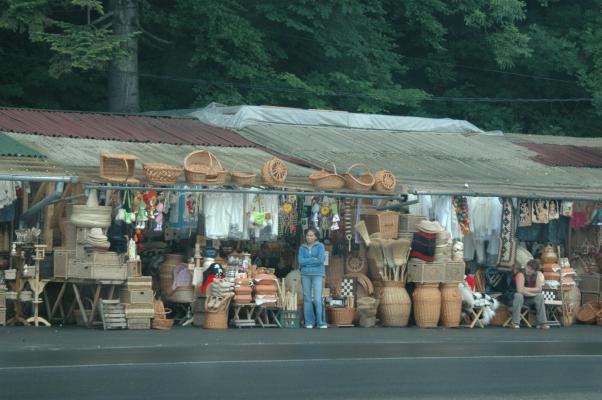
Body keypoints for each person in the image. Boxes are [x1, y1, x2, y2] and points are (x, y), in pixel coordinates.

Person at [298, 228, 327, 329]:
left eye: (311, 235)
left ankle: (320, 322)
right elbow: (300, 261)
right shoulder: (302, 247)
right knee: (307, 298)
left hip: (318, 274)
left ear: (316, 237)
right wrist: (312, 260)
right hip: (305, 274)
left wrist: (307, 262)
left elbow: (320, 260)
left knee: (318, 298)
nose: (309, 237)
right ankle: (309, 322)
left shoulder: (320, 246)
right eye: (307, 235)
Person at [511, 259, 549, 329]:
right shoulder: (520, 274)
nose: (529, 270)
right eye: (528, 267)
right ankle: (515, 322)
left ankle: (543, 323)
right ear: (526, 266)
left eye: (532, 269)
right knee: (518, 296)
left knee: (540, 296)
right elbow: (520, 290)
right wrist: (533, 293)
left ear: (535, 270)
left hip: (528, 298)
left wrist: (525, 288)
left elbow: (539, 289)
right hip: (516, 299)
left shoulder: (536, 274)